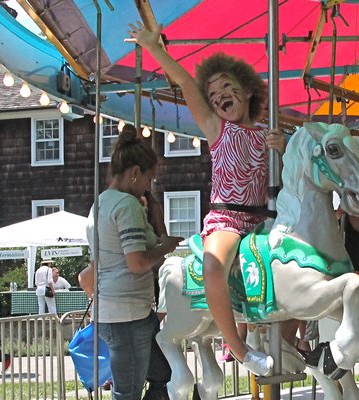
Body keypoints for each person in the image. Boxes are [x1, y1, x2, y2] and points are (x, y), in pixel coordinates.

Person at [126, 22, 285, 377]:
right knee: (215, 264)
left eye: (228, 88)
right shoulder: (218, 129)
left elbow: (289, 181)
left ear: (247, 93)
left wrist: (284, 150)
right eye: (214, 96)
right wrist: (155, 48)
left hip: (263, 219)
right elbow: (184, 82)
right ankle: (238, 348)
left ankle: (294, 342)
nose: (220, 96)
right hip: (228, 220)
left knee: (296, 263)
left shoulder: (267, 133)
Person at [86, 124, 182, 400]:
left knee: (158, 374)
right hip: (126, 312)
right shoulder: (126, 206)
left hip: (115, 308)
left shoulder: (101, 203)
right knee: (128, 391)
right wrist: (164, 247)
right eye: (148, 180)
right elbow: (137, 262)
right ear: (135, 173)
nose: (147, 186)